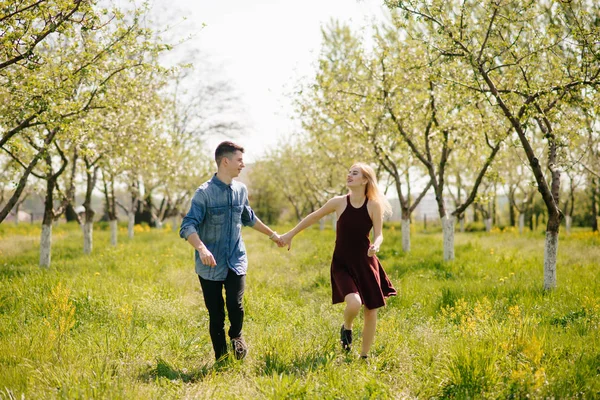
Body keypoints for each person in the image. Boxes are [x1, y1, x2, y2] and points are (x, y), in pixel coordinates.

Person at [179, 141, 283, 362]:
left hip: (236, 259)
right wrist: (202, 249)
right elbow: (188, 226)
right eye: (239, 160)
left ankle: (236, 335)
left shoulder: (241, 190)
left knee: (235, 306)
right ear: (225, 161)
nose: (242, 165)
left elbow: (249, 218)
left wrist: (273, 235)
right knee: (216, 314)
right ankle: (221, 359)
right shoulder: (204, 193)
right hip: (210, 265)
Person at [280, 163, 396, 359]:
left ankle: (364, 356)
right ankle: (347, 326)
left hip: (366, 263)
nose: (349, 175)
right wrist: (290, 234)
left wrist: (376, 245)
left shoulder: (373, 205)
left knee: (371, 310)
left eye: (355, 173)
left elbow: (379, 235)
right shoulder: (339, 202)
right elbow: (313, 217)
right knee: (354, 303)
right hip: (342, 263)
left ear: (365, 180)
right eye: (349, 172)